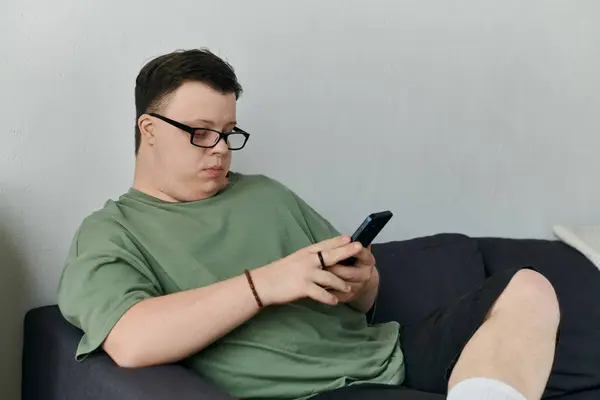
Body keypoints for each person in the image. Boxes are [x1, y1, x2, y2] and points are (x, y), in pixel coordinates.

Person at [57, 48, 561, 400]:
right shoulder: (112, 231)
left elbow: (364, 301)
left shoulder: (266, 193)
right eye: (201, 133)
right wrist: (266, 283)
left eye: (229, 133)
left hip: (390, 351)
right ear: (149, 130)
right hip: (320, 390)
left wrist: (362, 282)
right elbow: (131, 341)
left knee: (530, 288)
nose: (220, 150)